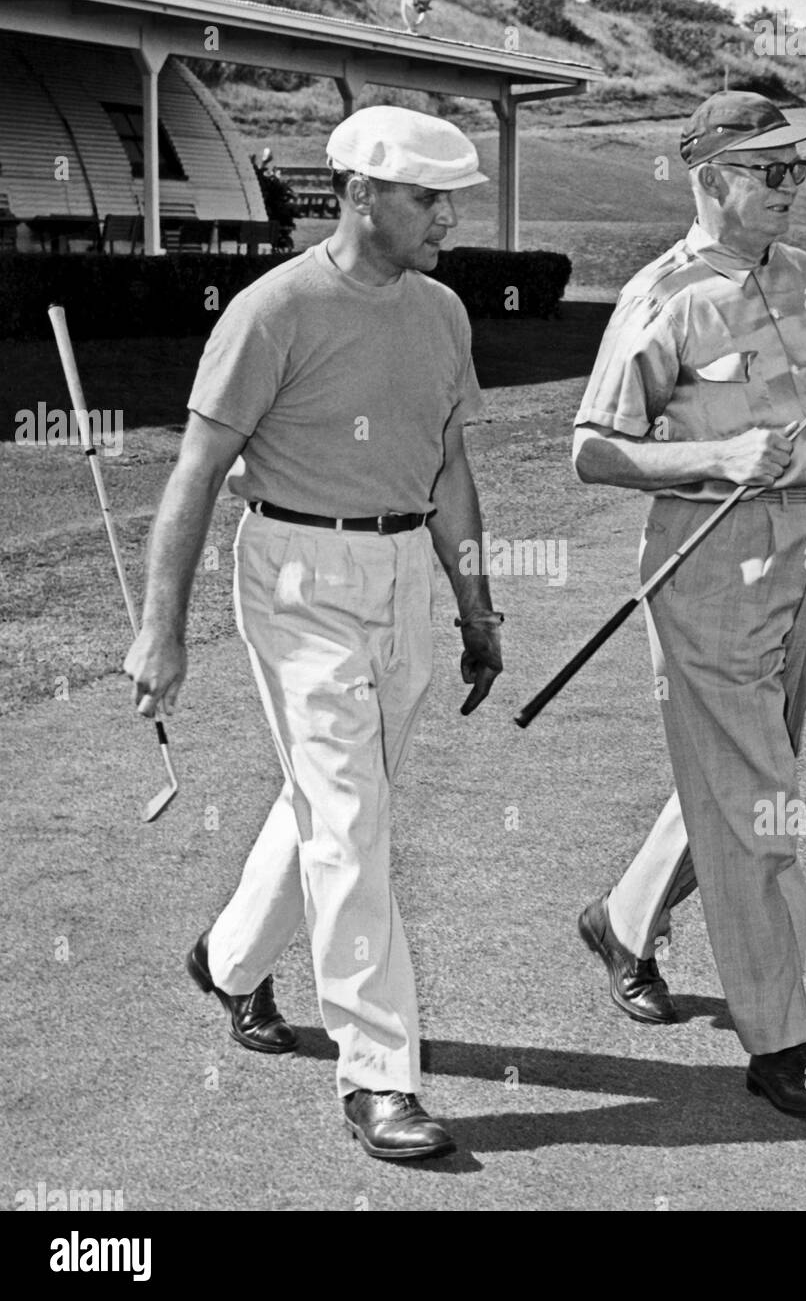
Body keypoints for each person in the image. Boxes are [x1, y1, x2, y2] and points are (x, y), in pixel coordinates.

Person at [124, 106, 503, 1161]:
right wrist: (163, 631)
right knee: (350, 820)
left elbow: (450, 474)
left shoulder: (441, 313)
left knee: (339, 802)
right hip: (295, 571)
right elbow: (196, 471)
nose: (448, 219)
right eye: (430, 199)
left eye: (450, 199)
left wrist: (477, 605)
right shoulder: (272, 309)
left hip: (401, 580)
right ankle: (379, 1075)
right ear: (361, 194)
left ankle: (231, 960)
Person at [572, 91, 806, 1119]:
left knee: (748, 764)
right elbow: (591, 447)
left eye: (798, 169)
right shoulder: (660, 296)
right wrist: (715, 455)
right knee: (762, 800)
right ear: (710, 178)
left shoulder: (801, 278)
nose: (791, 186)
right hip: (711, 561)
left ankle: (625, 919)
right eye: (771, 170)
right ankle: (781, 1043)